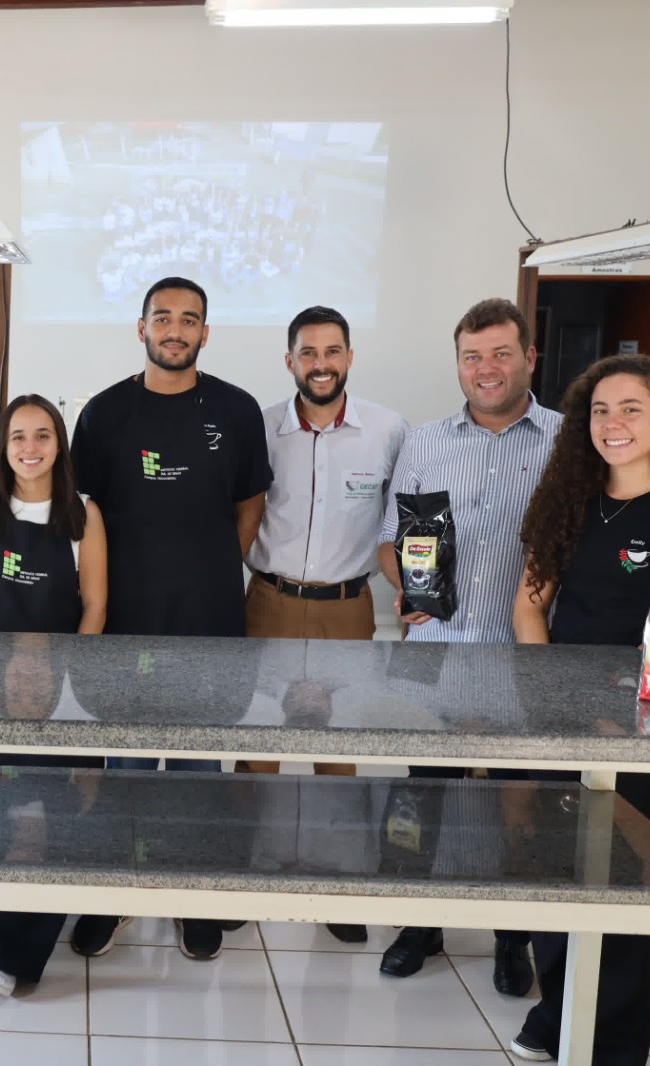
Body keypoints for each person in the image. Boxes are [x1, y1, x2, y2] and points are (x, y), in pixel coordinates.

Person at [506, 355, 650, 1065]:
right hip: (561, 722)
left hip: (649, 728)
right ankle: (558, 1013)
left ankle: (617, 1042)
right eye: (600, 410)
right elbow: (530, 607)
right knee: (554, 870)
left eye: (632, 408)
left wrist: (622, 718)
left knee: (635, 883)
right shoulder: (568, 498)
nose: (613, 423)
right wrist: (552, 700)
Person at [69, 275, 272, 962]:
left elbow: (250, 504)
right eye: (163, 317)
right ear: (141, 328)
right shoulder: (103, 414)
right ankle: (117, 894)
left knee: (197, 772)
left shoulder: (237, 410)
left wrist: (211, 565)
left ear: (205, 333)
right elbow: (85, 515)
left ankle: (192, 897)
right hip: (125, 620)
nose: (175, 330)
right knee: (125, 768)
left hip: (208, 619)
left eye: (189, 319)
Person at [375, 297, 561, 994]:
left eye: (500, 354)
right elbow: (391, 542)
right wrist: (407, 584)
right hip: (436, 652)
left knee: (519, 804)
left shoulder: (568, 441)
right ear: (458, 363)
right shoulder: (424, 442)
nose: (486, 369)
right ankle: (420, 924)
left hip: (524, 657)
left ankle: (514, 937)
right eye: (472, 356)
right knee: (421, 797)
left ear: (528, 358)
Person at [242, 304, 408, 944]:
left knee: (337, 752)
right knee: (258, 747)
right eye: (308, 352)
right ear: (290, 361)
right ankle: (242, 878)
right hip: (271, 601)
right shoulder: (260, 428)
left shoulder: (388, 430)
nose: (321, 364)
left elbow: (406, 521)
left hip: (347, 607)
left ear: (349, 358)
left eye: (332, 351)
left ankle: (339, 884)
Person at [0, 394, 107, 996]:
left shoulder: (84, 513)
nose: (30, 448)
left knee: (59, 823)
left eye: (43, 435)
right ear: (3, 446)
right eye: (18, 436)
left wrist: (74, 693)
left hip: (61, 695)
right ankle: (6, 943)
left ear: (59, 445)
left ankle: (20, 953)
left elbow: (94, 606)